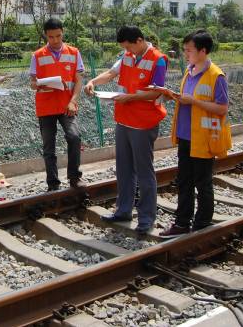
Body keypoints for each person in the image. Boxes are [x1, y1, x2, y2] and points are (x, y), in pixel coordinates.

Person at [85, 25, 168, 235]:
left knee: (144, 171)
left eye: (129, 47)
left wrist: (129, 97)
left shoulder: (158, 59)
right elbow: (112, 73)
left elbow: (155, 92)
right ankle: (123, 210)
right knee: (123, 168)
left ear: (139, 40)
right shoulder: (128, 56)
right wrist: (93, 81)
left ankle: (147, 218)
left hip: (144, 122)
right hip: (123, 120)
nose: (127, 52)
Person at [160, 29, 231, 238]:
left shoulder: (216, 76)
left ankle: (202, 223)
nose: (185, 54)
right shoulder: (189, 71)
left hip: (204, 137)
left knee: (203, 182)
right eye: (184, 50)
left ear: (202, 51)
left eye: (188, 50)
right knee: (184, 181)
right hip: (185, 135)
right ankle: (182, 223)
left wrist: (194, 101)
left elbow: (222, 108)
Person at [31, 18, 85, 191]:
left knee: (74, 137)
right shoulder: (37, 55)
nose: (55, 40)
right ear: (46, 35)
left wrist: (73, 101)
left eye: (58, 36)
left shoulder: (74, 52)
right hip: (46, 107)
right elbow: (33, 82)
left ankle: (75, 177)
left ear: (63, 33)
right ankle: (53, 183)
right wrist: (39, 83)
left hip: (66, 105)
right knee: (49, 146)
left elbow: (78, 81)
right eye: (51, 37)